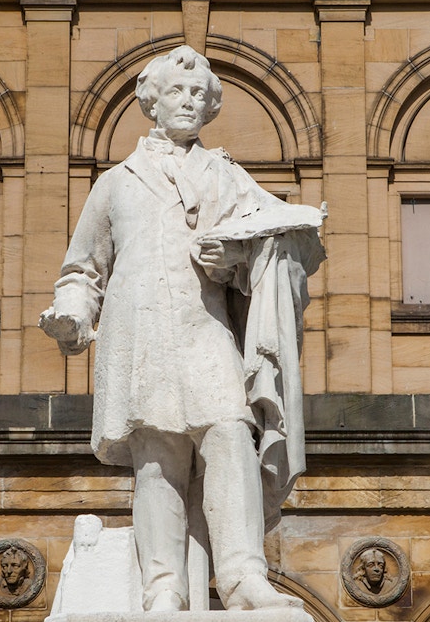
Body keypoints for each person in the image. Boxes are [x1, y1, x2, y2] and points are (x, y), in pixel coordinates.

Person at [41, 45, 323, 612]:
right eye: (178, 92)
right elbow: (83, 269)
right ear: (152, 101)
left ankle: (242, 576)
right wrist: (72, 312)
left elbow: (293, 240)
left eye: (200, 94)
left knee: (228, 435)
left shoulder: (227, 176)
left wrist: (237, 261)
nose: (190, 102)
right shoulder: (115, 183)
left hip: (205, 330)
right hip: (141, 338)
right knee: (158, 458)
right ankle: (163, 585)